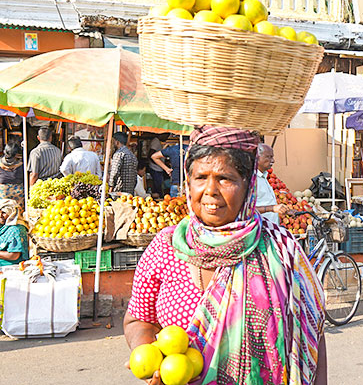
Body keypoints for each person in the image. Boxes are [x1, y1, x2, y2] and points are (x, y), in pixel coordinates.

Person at [124, 126, 326, 385]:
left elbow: (312, 334)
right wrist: (150, 357)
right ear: (188, 182)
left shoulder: (281, 249)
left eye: (225, 178)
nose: (210, 190)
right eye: (200, 177)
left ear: (248, 185)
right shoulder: (166, 246)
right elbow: (139, 318)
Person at [256, 144, 289, 225]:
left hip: (270, 229)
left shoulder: (263, 177)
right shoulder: (251, 180)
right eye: (268, 157)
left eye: (272, 157)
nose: (273, 160)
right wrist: (272, 208)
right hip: (259, 230)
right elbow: (246, 210)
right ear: (256, 157)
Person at [0, 199, 29, 266]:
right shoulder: (4, 225)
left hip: (10, 265)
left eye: (4, 213)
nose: (0, 215)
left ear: (12, 213)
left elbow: (14, 255)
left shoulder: (16, 229)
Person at [0, 142, 25, 209]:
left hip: (3, 197)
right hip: (18, 198)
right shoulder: (22, 165)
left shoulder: (0, 163)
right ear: (16, 155)